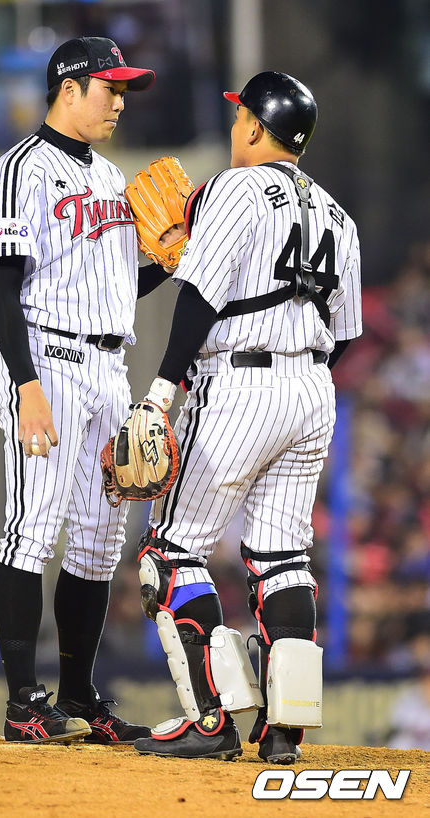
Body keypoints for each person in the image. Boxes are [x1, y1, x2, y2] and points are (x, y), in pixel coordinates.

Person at [131, 72, 362, 762]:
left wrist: (162, 391)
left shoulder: (233, 189)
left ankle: (210, 722)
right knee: (283, 557)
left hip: (238, 384)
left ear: (257, 127)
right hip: (312, 390)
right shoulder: (340, 216)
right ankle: (285, 732)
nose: (237, 127)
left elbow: (198, 299)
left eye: (241, 119)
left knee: (170, 553)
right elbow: (346, 335)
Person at [0, 36, 173, 744]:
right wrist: (25, 383)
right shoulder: (16, 171)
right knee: (32, 529)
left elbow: (118, 289)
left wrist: (167, 263)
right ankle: (22, 704)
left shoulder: (115, 178)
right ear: (69, 88)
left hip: (108, 366)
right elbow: (1, 287)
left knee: (97, 543)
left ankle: (80, 695)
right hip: (46, 359)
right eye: (109, 88)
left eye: (124, 91)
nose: (119, 102)